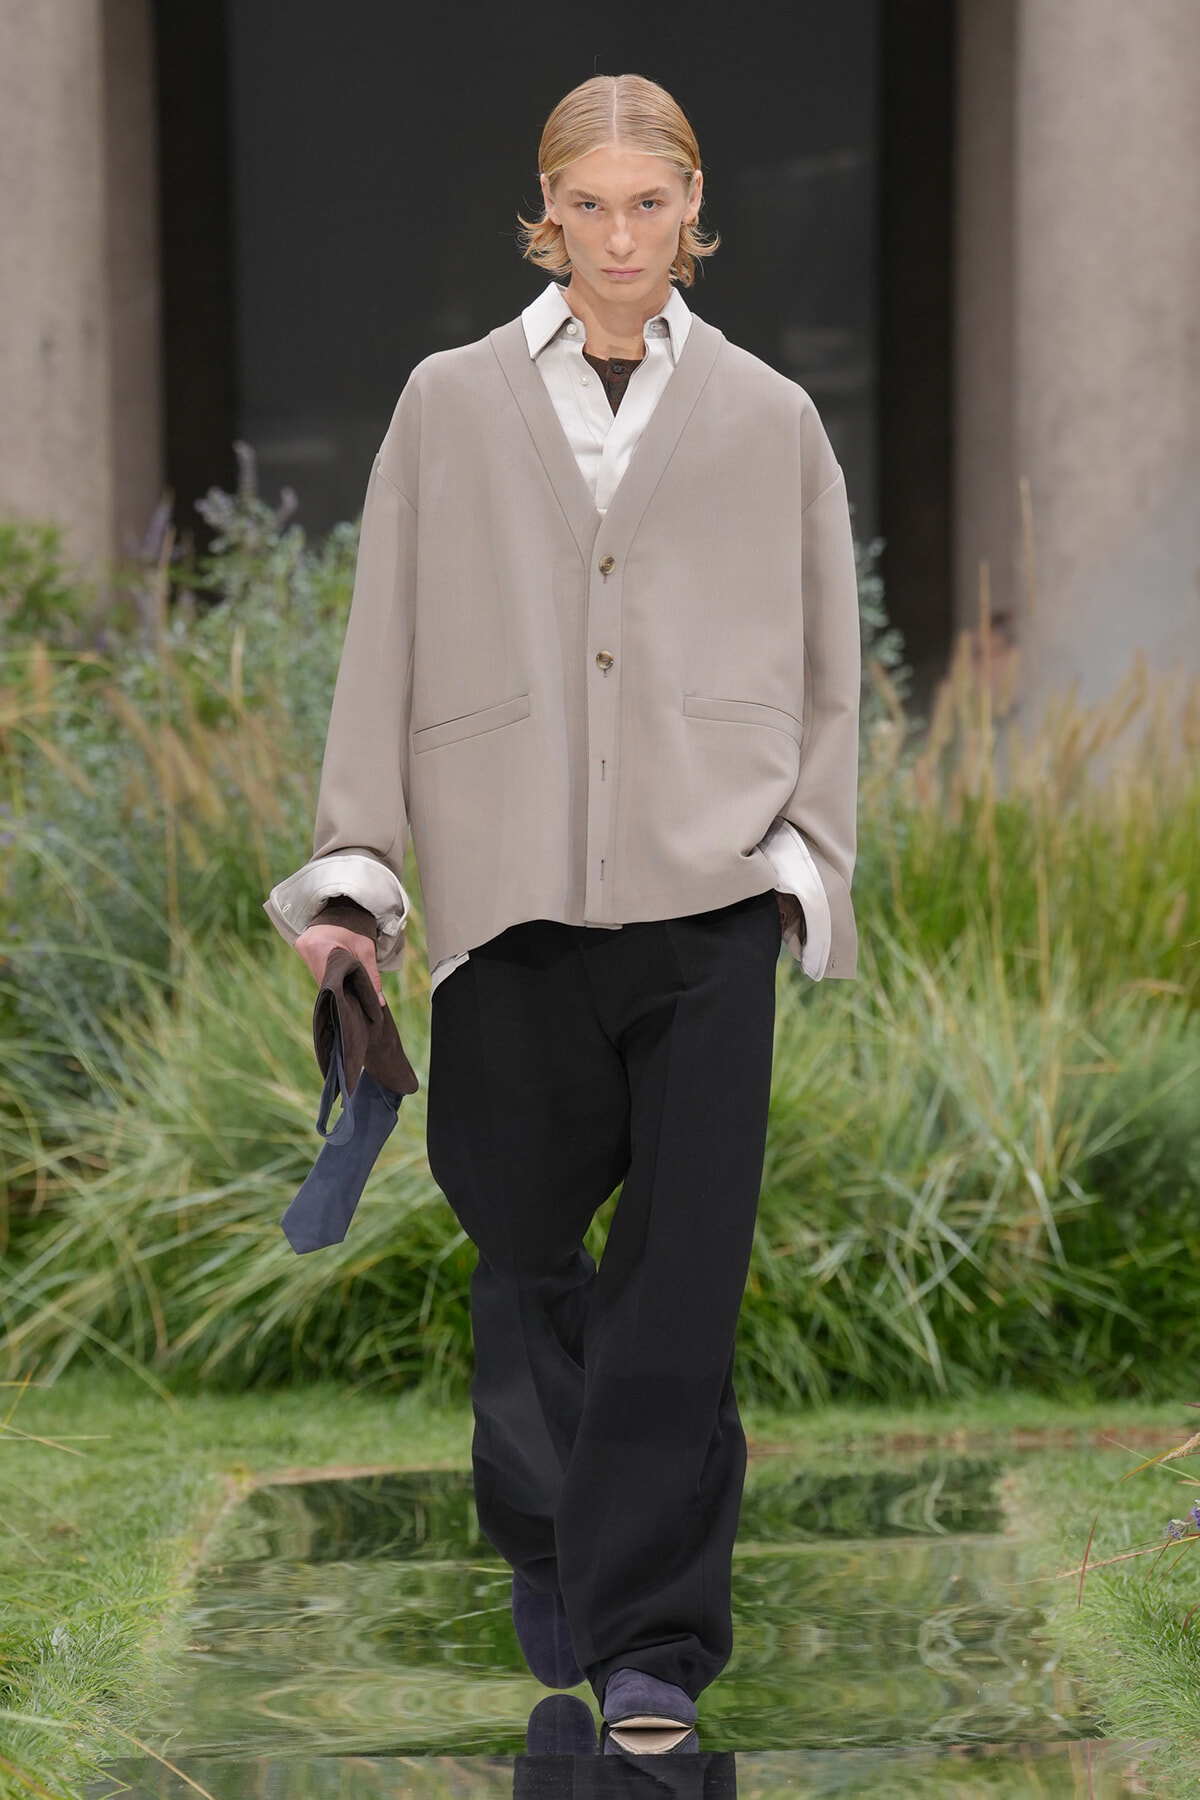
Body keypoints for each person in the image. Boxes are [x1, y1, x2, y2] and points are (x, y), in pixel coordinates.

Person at [265, 72, 860, 1751]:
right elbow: (383, 638)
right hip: (508, 901)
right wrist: (356, 879)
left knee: (680, 1280)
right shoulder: (449, 405)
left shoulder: (768, 419)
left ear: (692, 210)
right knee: (521, 1252)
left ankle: (653, 1640)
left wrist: (808, 854)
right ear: (547, 216)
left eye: (649, 207)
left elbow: (826, 664)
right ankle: (560, 1522)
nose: (619, 241)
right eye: (588, 209)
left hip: (709, 897)